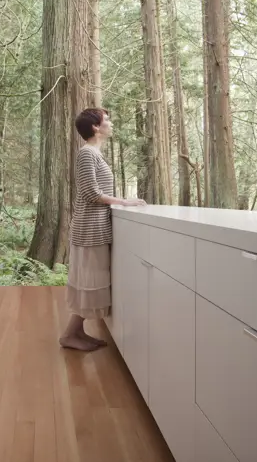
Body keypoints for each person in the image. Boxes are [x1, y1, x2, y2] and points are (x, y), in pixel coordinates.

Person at [60, 108, 146, 351]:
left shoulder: (94, 154)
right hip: (89, 230)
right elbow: (90, 193)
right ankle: (69, 336)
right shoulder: (87, 154)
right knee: (90, 283)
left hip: (95, 229)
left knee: (91, 283)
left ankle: (76, 333)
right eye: (106, 120)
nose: (110, 122)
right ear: (96, 127)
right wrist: (124, 201)